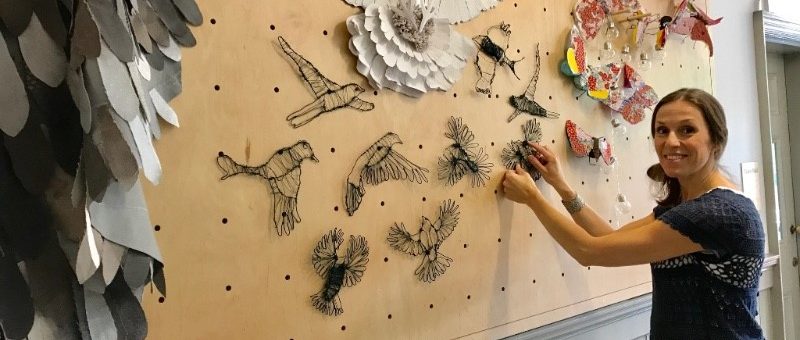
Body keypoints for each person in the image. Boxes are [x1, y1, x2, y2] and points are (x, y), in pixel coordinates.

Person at [502, 88, 765, 339]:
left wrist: (533, 199)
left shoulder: (718, 213)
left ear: (716, 140)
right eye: (662, 130)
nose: (671, 141)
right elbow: (607, 237)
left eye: (687, 130)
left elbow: (589, 251)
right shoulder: (687, 208)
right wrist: (561, 186)